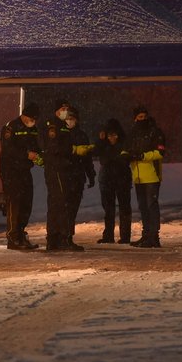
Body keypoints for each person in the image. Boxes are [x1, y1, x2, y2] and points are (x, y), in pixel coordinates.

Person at [39, 99, 82, 251]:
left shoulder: (62, 126)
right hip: (56, 168)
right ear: (57, 110)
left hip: (62, 168)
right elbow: (54, 148)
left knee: (58, 203)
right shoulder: (53, 126)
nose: (65, 111)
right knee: (61, 203)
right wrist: (72, 150)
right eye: (63, 108)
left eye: (67, 108)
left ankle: (55, 238)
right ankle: (61, 238)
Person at [0, 103, 42, 250]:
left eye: (35, 119)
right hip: (10, 171)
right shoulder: (11, 128)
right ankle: (13, 238)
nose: (33, 121)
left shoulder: (33, 129)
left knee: (26, 203)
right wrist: (26, 155)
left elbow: (35, 146)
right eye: (31, 118)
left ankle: (21, 234)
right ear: (24, 116)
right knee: (14, 204)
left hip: (24, 170)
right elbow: (9, 150)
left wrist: (39, 156)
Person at [126, 105, 166, 248]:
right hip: (137, 175)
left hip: (151, 175)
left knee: (151, 206)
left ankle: (153, 236)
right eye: (140, 117)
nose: (142, 119)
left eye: (144, 116)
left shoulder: (155, 132)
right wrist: (127, 156)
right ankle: (146, 234)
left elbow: (160, 152)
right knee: (143, 206)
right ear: (135, 118)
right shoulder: (132, 133)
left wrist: (143, 156)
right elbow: (126, 149)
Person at [94, 118, 133, 244]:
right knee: (109, 210)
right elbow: (95, 151)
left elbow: (126, 158)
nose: (112, 138)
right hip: (107, 179)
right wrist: (100, 140)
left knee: (124, 209)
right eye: (110, 135)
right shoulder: (103, 144)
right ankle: (108, 235)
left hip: (122, 179)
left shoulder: (124, 144)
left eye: (114, 135)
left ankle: (125, 236)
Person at [63, 106, 95, 249]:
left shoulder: (81, 135)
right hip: (63, 176)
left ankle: (68, 236)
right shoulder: (61, 134)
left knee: (72, 208)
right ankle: (62, 236)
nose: (70, 121)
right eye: (68, 119)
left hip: (77, 176)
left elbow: (87, 158)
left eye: (72, 119)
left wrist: (91, 174)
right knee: (63, 208)